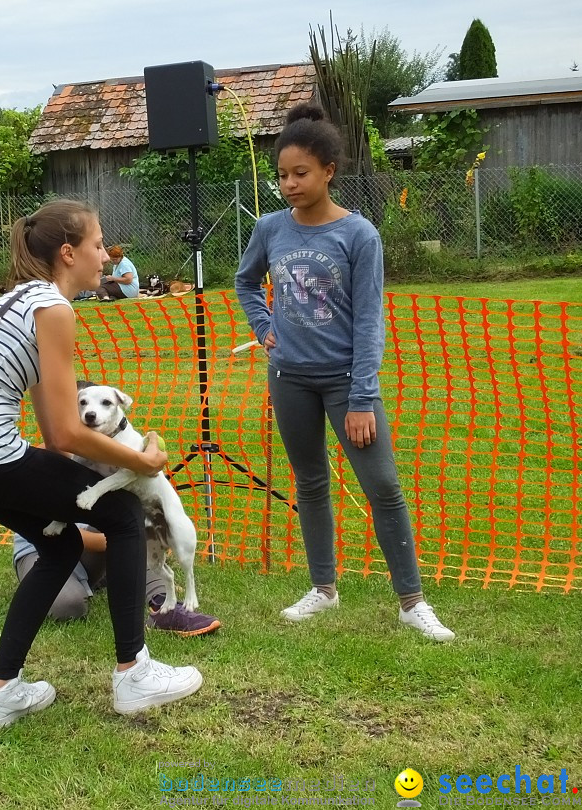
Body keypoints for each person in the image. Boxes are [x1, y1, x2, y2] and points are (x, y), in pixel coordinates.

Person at [0, 199, 203, 729]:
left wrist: (84, 471)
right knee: (123, 515)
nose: (107, 257)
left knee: (59, 547)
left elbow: (54, 434)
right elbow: (66, 432)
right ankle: (134, 675)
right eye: (99, 245)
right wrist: (143, 460)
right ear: (69, 252)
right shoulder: (54, 308)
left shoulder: (17, 302)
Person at [234, 103, 455, 642]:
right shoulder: (269, 228)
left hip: (344, 383)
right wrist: (265, 328)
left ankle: (411, 602)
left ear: (329, 171)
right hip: (289, 379)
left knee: (383, 487)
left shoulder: (360, 236)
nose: (288, 184)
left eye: (300, 174)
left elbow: (368, 320)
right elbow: (245, 281)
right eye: (283, 174)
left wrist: (361, 397)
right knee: (310, 484)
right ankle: (323, 589)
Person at [12, 525, 222, 636]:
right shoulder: (37, 460)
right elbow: (51, 532)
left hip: (91, 549)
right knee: (68, 607)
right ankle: (118, 570)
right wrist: (120, 538)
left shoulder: (101, 454)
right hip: (38, 551)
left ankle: (163, 604)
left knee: (129, 509)